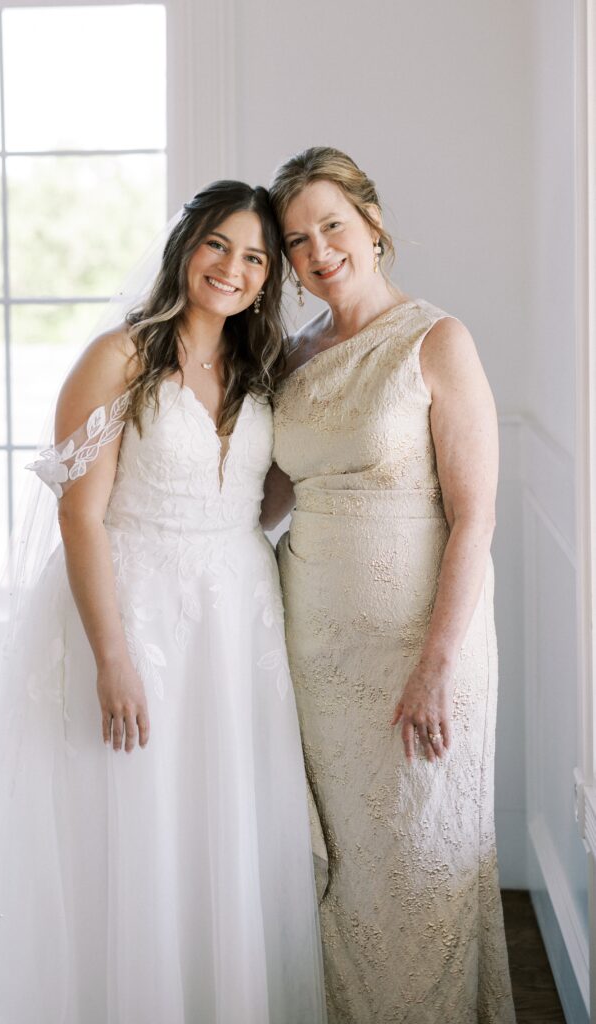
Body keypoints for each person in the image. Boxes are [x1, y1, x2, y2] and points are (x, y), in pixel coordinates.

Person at [0, 180, 326, 1024]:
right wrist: (113, 658)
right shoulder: (120, 355)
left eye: (253, 258)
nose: (233, 269)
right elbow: (79, 514)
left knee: (219, 818)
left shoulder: (261, 368)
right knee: (132, 811)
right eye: (219, 245)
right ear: (187, 246)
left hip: (235, 616)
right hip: (132, 609)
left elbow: (264, 496)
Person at [262, 147, 516, 1023]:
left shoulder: (436, 339)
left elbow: (474, 518)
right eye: (295, 240)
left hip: (420, 651)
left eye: (332, 225)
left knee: (419, 869)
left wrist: (435, 667)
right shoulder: (291, 358)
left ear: (372, 224)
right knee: (345, 874)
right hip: (317, 659)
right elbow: (262, 498)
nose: (317, 251)